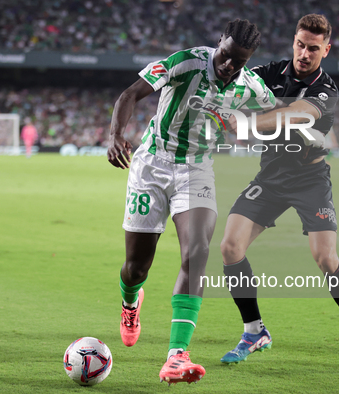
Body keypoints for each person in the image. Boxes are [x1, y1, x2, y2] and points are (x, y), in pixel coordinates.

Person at [107, 19, 276, 385]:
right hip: (151, 163)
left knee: (196, 252)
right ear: (220, 42)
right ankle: (130, 302)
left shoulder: (250, 86)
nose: (230, 66)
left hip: (196, 170)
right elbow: (129, 94)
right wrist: (116, 135)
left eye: (239, 62)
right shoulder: (185, 62)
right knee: (136, 267)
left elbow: (275, 116)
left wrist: (246, 127)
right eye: (227, 55)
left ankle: (176, 355)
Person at [219, 14, 339, 365]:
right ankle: (254, 331)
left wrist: (243, 122)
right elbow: (232, 83)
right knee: (230, 247)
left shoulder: (326, 90)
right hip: (271, 176)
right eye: (300, 45)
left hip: (310, 179)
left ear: (326, 49)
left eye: (313, 48)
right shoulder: (270, 73)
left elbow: (294, 113)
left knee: (325, 258)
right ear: (294, 40)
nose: (304, 53)